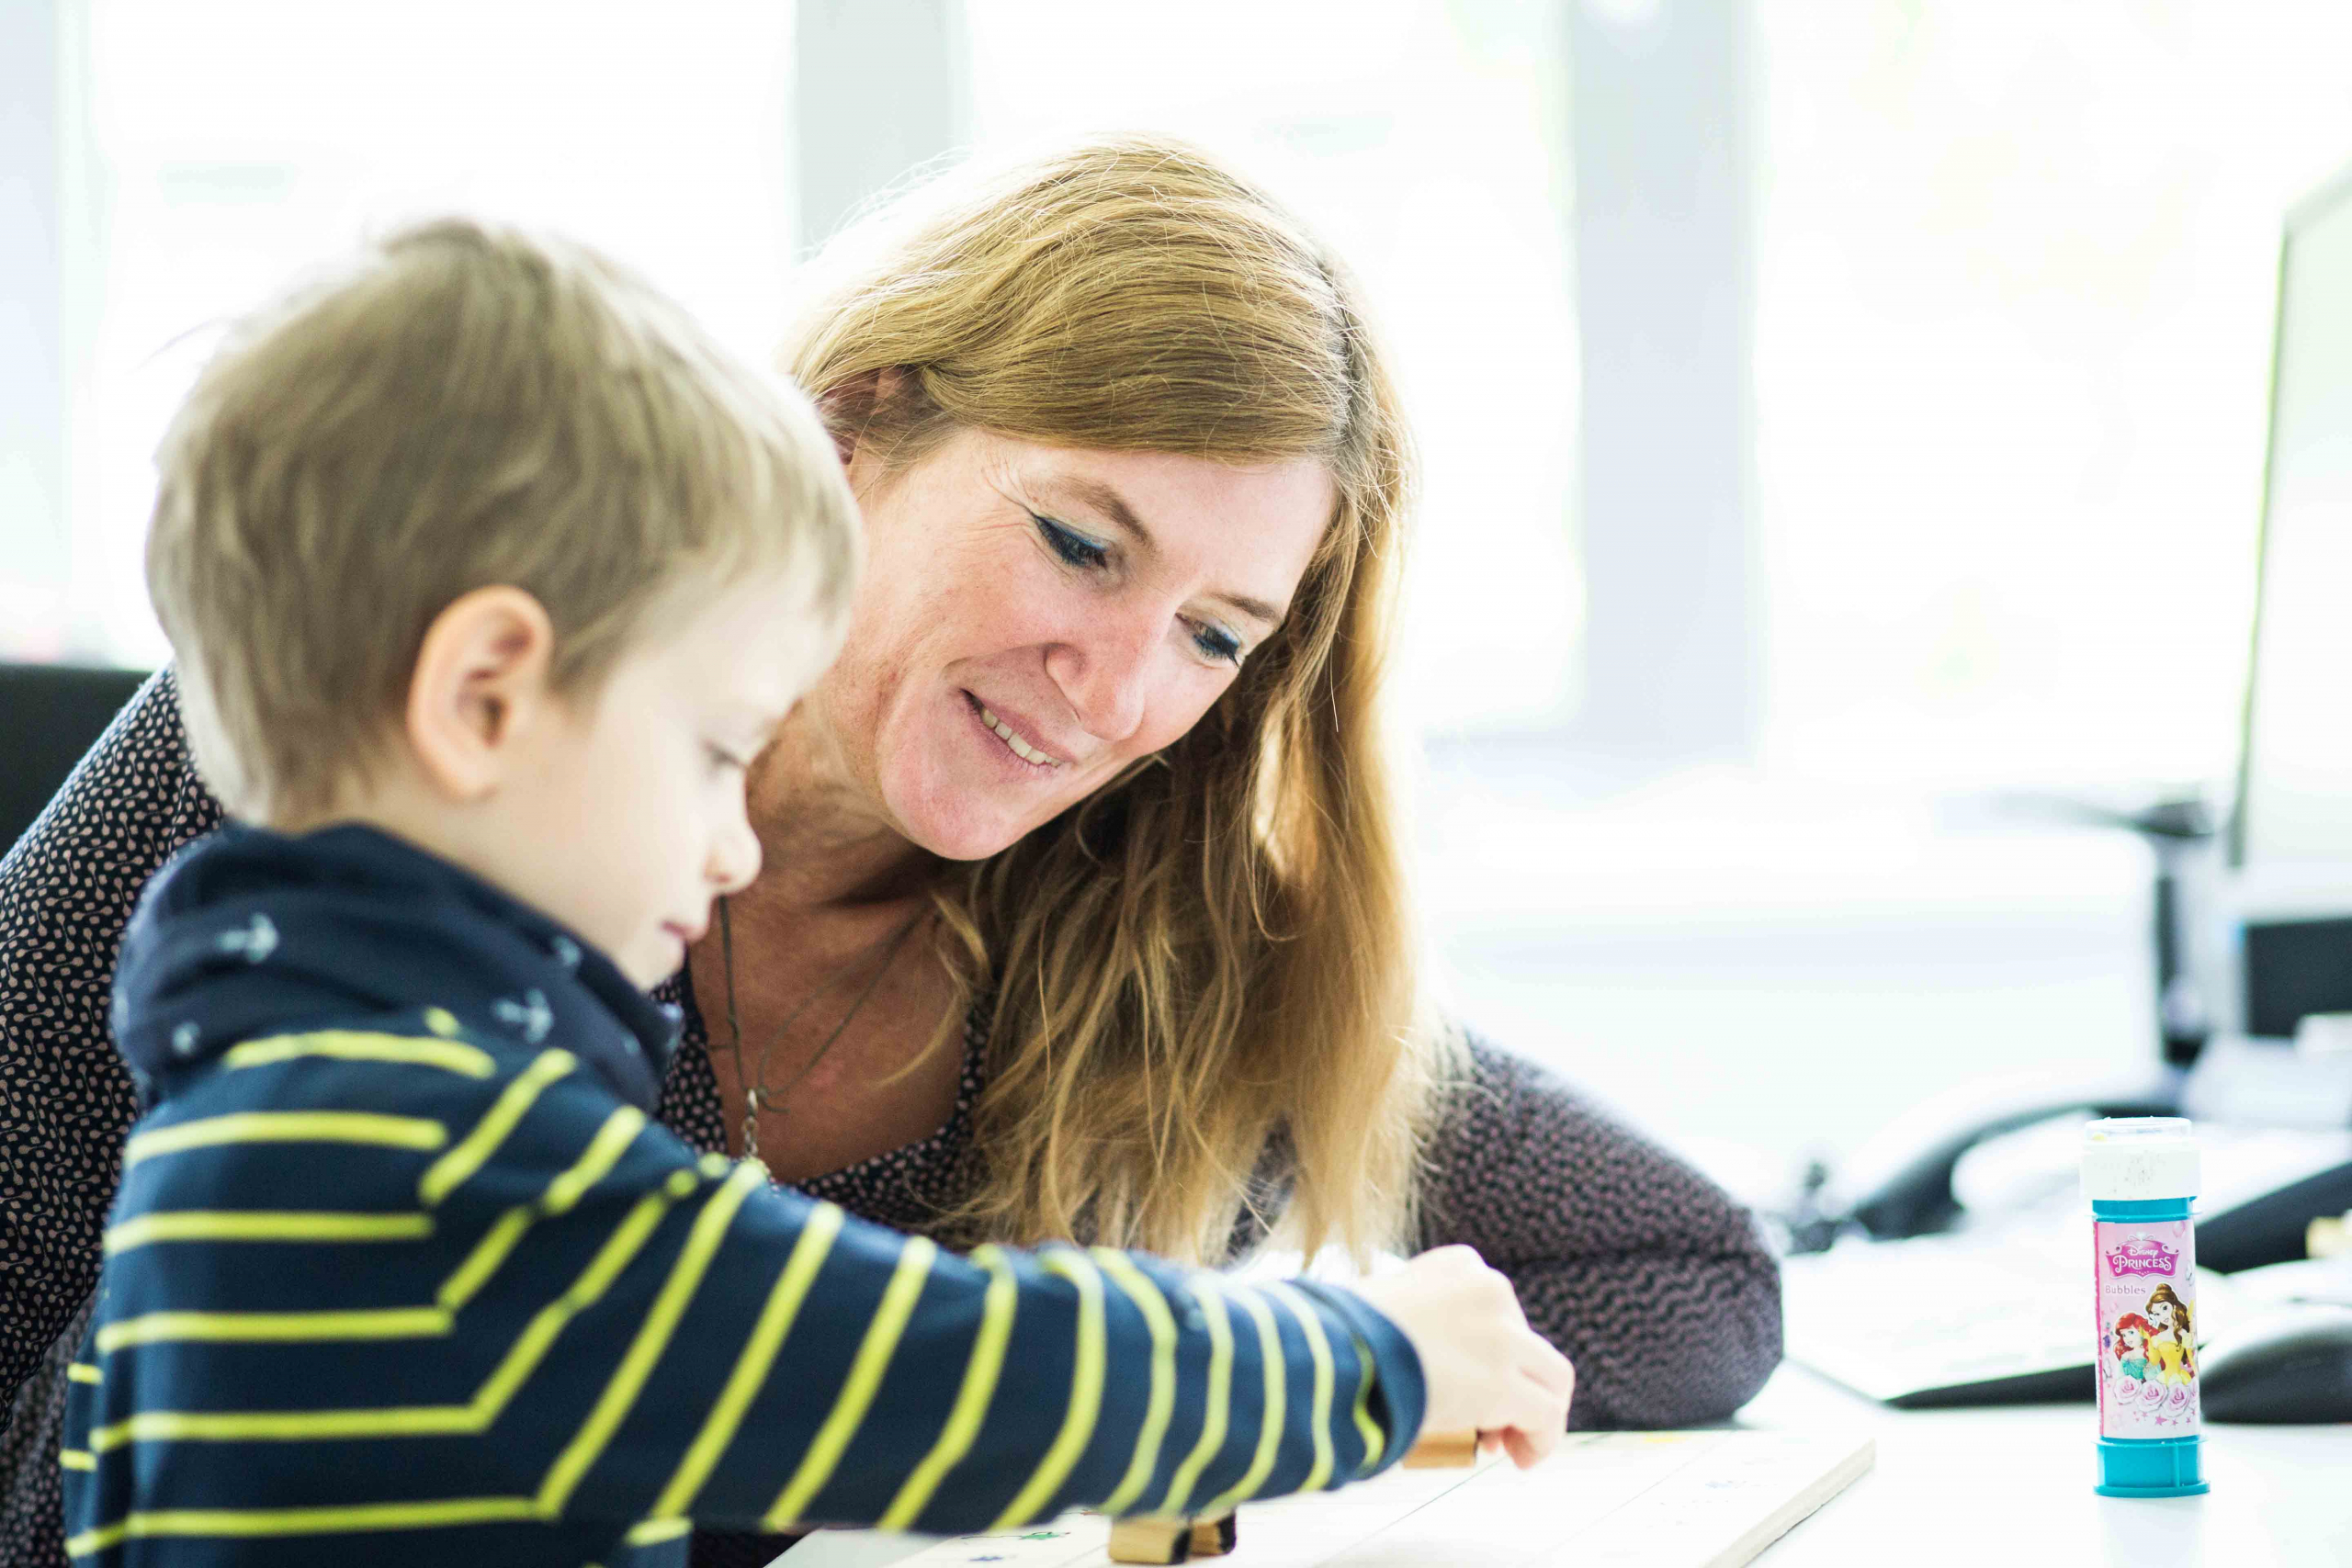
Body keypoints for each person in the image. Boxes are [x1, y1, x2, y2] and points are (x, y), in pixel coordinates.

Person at [0, 137, 1781, 1567]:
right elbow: (902, 1364)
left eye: (1219, 634)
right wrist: (1352, 1365)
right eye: (1082, 543)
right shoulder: (424, 1121)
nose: (1119, 687)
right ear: (851, 424)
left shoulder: (282, 1073)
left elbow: (1688, 1274)